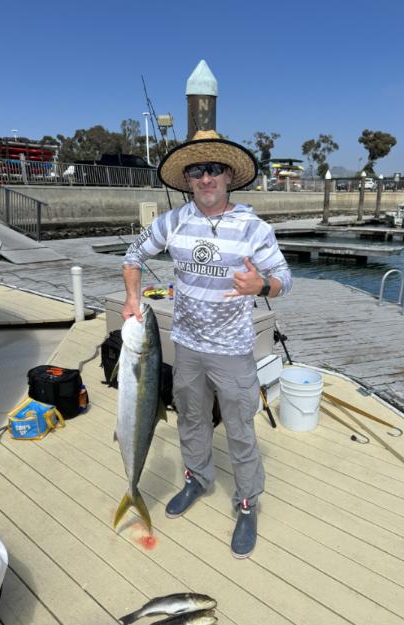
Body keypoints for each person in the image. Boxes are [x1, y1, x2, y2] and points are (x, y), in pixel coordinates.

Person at [122, 130, 292, 559]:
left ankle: (247, 503)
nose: (205, 178)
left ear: (229, 176)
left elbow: (284, 278)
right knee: (191, 419)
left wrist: (261, 285)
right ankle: (197, 478)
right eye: (197, 171)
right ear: (188, 180)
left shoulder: (254, 228)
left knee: (240, 430)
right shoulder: (174, 221)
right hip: (187, 347)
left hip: (233, 351)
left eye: (214, 169)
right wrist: (131, 298)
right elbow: (133, 254)